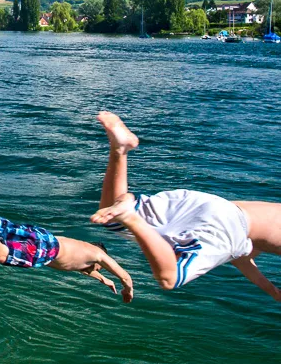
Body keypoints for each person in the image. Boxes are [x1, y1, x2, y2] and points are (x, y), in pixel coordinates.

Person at [90, 111, 281, 301]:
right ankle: (131, 217)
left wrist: (272, 291)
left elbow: (242, 258)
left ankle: (120, 148)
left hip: (207, 206)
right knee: (169, 278)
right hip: (229, 225)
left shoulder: (255, 233)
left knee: (111, 217)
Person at [0, 217, 134, 303]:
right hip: (46, 249)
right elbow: (124, 274)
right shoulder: (99, 255)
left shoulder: (85, 254)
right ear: (99, 256)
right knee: (2, 254)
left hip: (42, 237)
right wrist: (127, 288)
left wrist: (103, 280)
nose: (92, 270)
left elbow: (82, 268)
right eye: (95, 269)